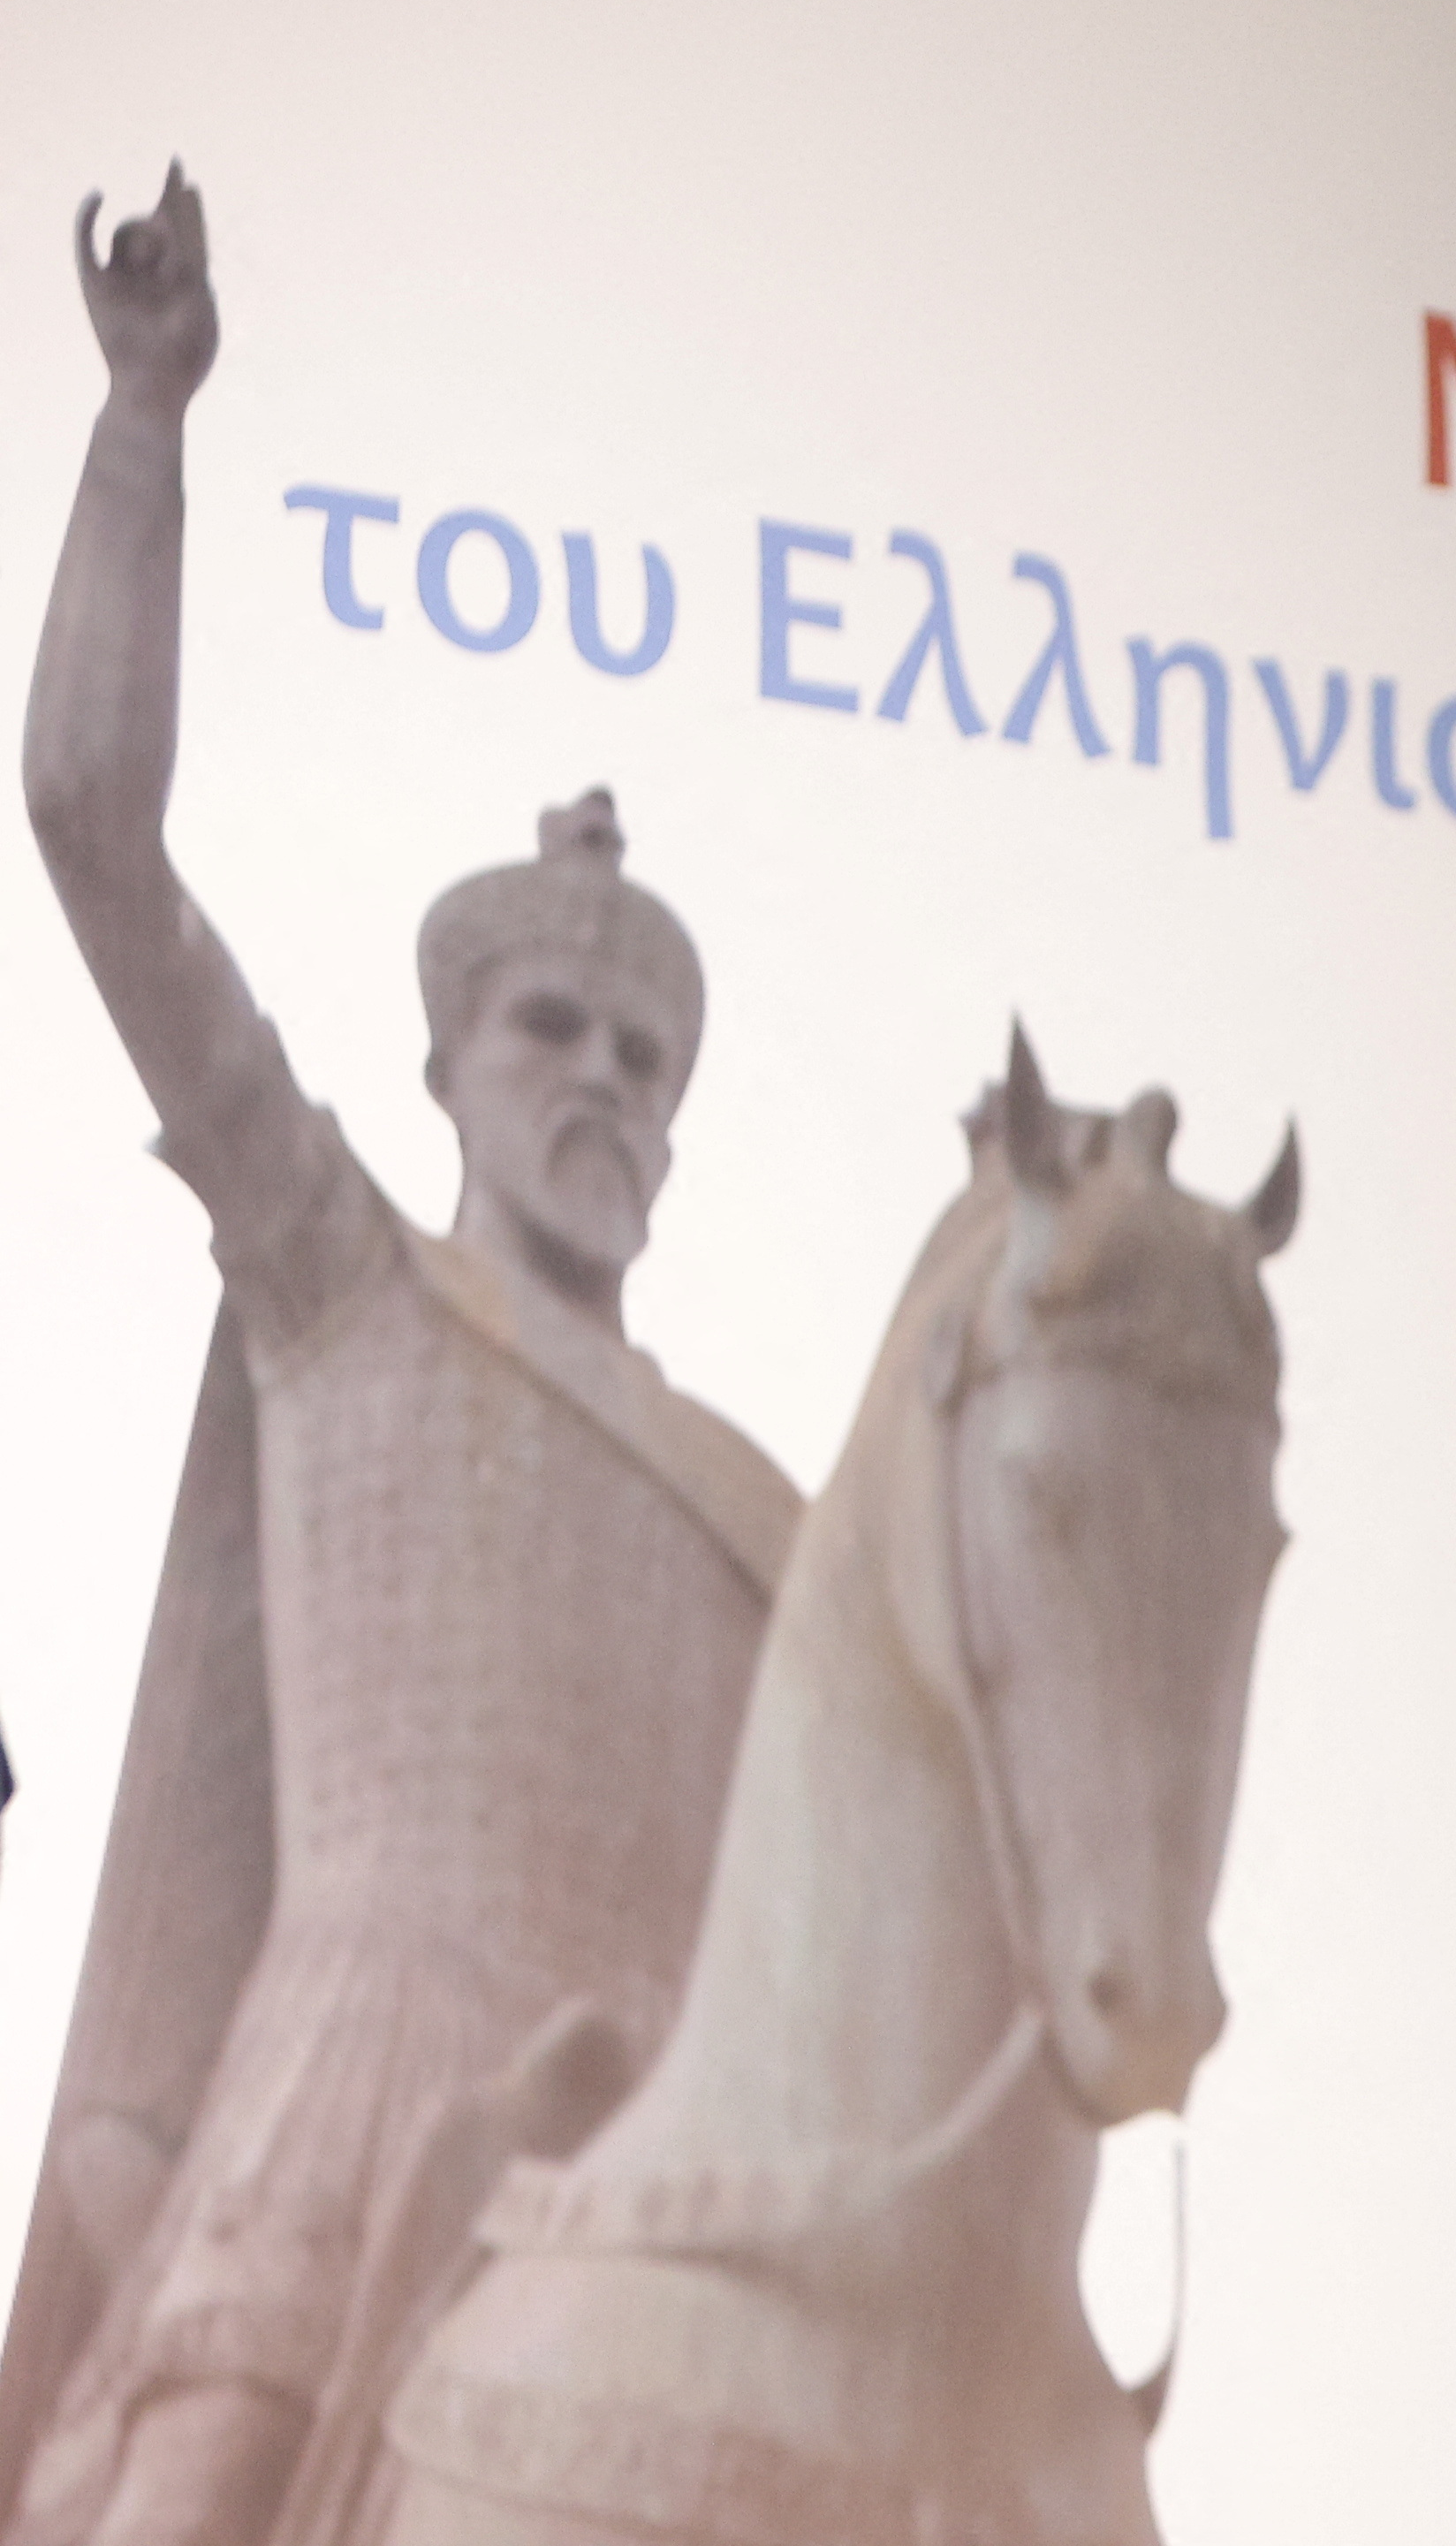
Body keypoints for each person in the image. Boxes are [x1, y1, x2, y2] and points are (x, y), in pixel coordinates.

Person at [0, 173, 802, 2546]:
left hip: (654, 2215)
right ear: (447, 1063)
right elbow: (89, 824)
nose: (607, 1084)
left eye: (648, 1056)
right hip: (336, 2128)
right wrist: (143, 420)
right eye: (556, 1026)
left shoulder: (764, 1516)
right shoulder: (343, 1276)